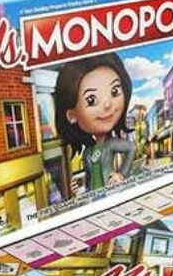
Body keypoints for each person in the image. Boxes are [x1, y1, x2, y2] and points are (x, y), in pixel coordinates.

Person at [54, 53, 135, 195]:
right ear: (72, 115)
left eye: (115, 91)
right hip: (94, 195)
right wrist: (79, 189)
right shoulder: (87, 153)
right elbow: (90, 176)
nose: (108, 105)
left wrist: (121, 174)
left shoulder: (110, 144)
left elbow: (131, 148)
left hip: (111, 193)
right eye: (91, 100)